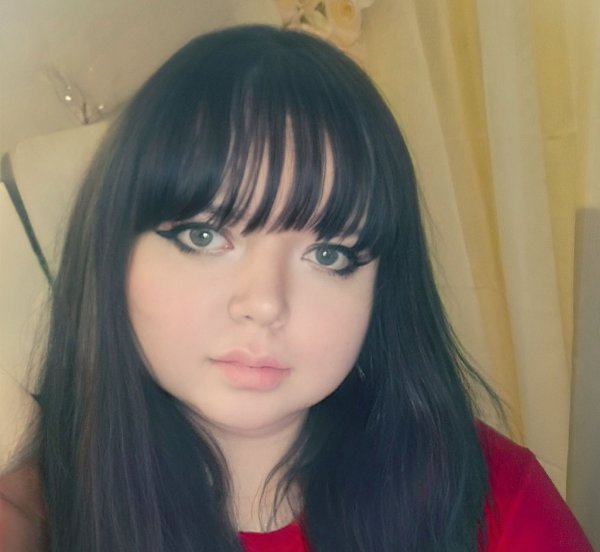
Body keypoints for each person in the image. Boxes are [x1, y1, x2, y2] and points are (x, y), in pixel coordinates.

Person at [0, 25, 593, 552]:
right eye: (204, 235)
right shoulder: (33, 525)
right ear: (112, 255)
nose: (264, 303)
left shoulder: (490, 499)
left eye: (329, 254)